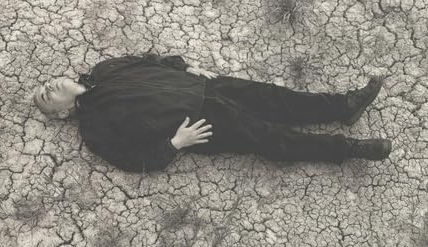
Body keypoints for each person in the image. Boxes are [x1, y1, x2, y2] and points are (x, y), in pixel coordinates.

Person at [33, 53, 392, 173]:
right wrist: (175, 144)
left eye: (45, 85)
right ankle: (348, 148)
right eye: (45, 98)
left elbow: (149, 60)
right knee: (271, 138)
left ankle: (345, 106)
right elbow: (131, 159)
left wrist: (185, 67)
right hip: (200, 125)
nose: (48, 87)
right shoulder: (93, 129)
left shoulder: (103, 69)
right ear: (61, 114)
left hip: (207, 86)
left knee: (279, 99)